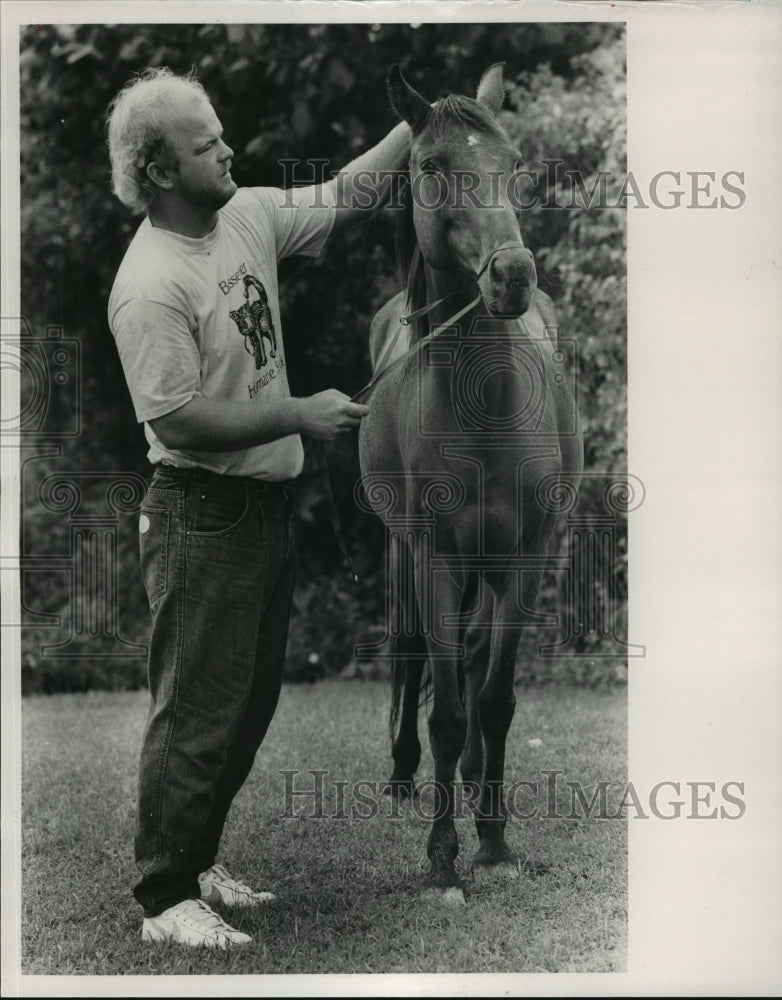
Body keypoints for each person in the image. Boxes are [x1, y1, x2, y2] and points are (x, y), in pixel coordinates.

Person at [106, 66, 409, 948]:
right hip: (200, 512)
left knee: (246, 706)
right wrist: (299, 413)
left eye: (220, 134)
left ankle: (198, 865)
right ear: (160, 171)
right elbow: (177, 419)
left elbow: (348, 195)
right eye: (206, 146)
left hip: (259, 508)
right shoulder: (150, 283)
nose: (227, 150)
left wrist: (422, 126)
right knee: (196, 710)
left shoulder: (243, 214)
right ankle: (166, 899)